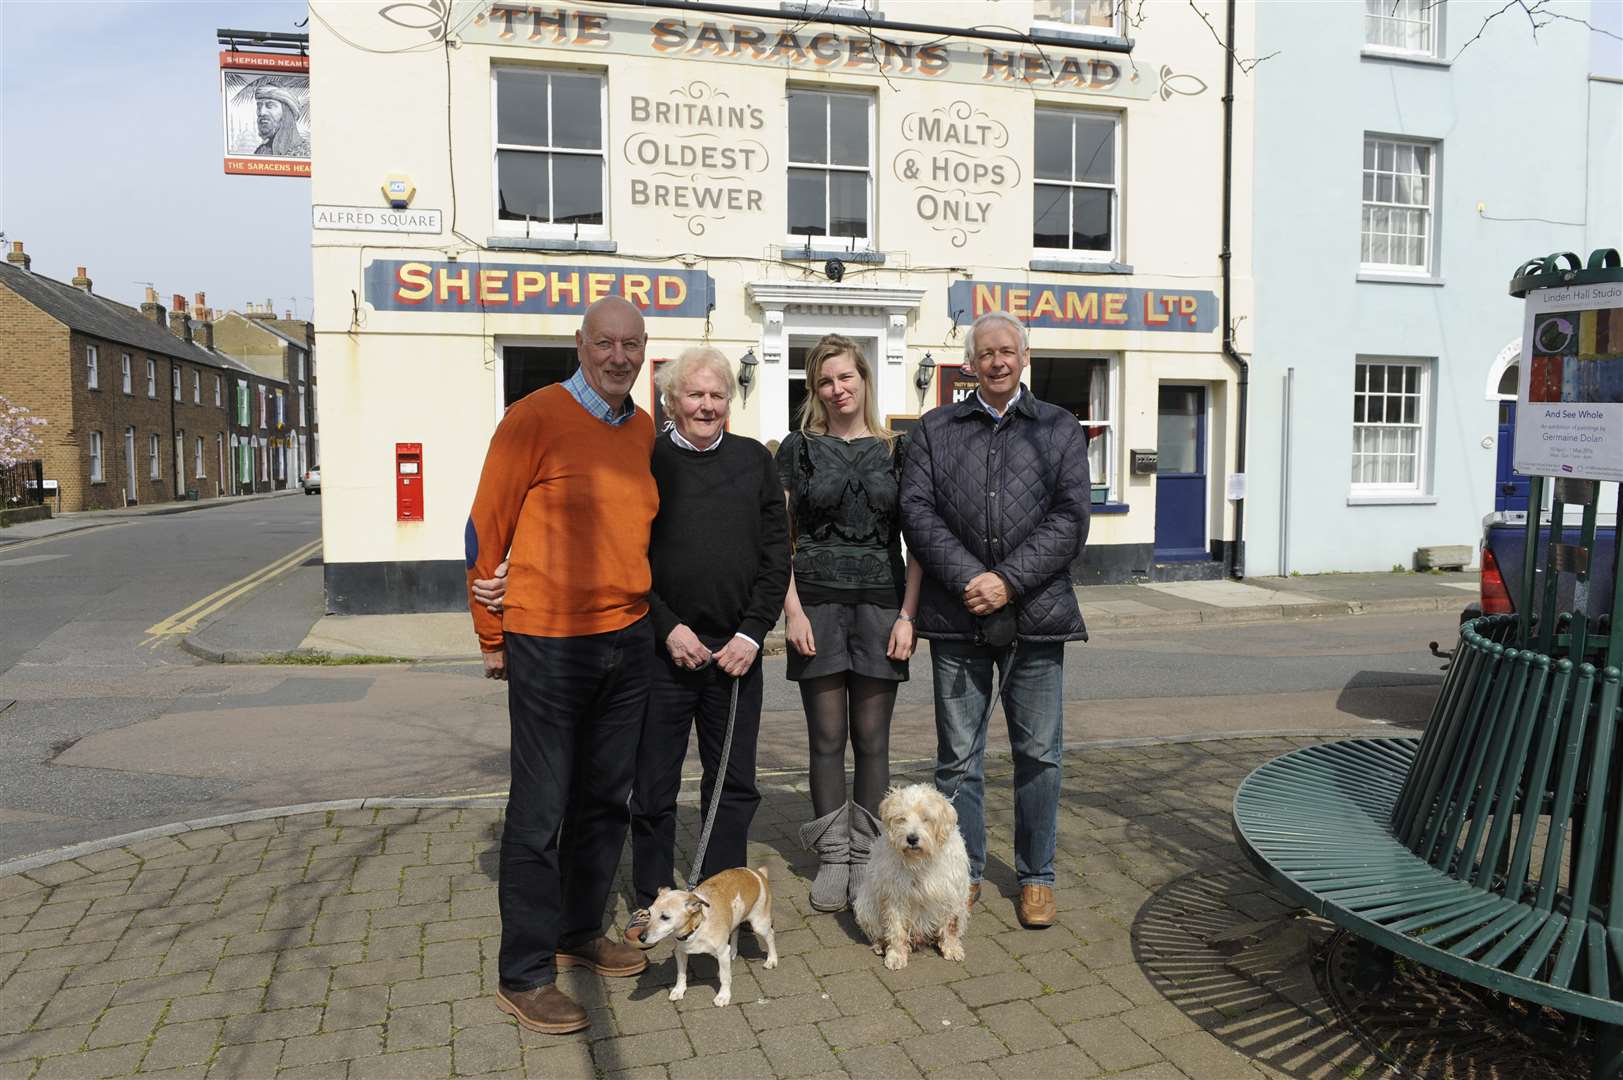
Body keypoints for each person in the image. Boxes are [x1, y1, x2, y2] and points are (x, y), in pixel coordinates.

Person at [465, 295, 657, 1036]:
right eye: (605, 343)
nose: (618, 357)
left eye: (631, 345)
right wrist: (491, 633)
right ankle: (523, 974)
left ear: (644, 350)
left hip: (628, 636)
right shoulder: (533, 417)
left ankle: (579, 931)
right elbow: (486, 526)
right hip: (548, 640)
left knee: (607, 799)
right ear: (581, 346)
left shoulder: (641, 429)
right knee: (541, 811)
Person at [899, 310, 1090, 930]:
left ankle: (1036, 876)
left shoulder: (1059, 429)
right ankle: (967, 872)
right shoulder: (935, 428)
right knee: (959, 759)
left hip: (1036, 617)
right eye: (986, 353)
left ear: (1024, 356)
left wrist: (1007, 581)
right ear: (971, 363)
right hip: (957, 619)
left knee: (1040, 755)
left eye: (1008, 351)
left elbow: (1071, 518)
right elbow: (917, 513)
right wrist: (967, 580)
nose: (998, 361)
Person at [620, 346, 791, 943]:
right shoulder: (647, 459)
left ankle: (717, 904)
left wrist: (753, 632)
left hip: (735, 656)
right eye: (695, 394)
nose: (707, 405)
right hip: (663, 650)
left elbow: (776, 556)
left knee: (732, 783)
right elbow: (630, 555)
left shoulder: (754, 461)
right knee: (654, 784)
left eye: (718, 395)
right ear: (671, 400)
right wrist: (665, 626)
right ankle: (651, 901)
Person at [778, 334, 924, 913]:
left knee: (872, 741)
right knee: (826, 739)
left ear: (863, 379)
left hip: (883, 606)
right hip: (815, 604)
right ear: (815, 390)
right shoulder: (798, 449)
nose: (837, 390)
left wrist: (909, 616)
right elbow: (778, 536)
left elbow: (917, 541)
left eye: (846, 378)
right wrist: (790, 610)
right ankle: (833, 857)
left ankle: (867, 857)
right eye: (824, 382)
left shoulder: (899, 451)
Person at [253, 84, 309, 158]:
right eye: (259, 106)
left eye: (270, 106)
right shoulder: (261, 151)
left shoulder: (307, 152)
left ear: (286, 112)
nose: (261, 112)